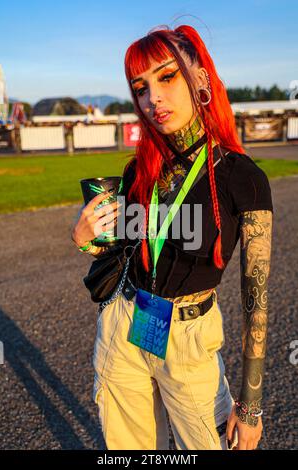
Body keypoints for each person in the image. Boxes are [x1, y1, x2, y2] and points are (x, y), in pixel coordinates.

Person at [71, 24, 273, 451]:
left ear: (200, 78)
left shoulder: (243, 178)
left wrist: (251, 408)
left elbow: (256, 300)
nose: (152, 98)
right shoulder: (137, 171)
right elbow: (118, 250)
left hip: (188, 337)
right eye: (140, 87)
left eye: (167, 77)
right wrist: (86, 238)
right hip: (127, 323)